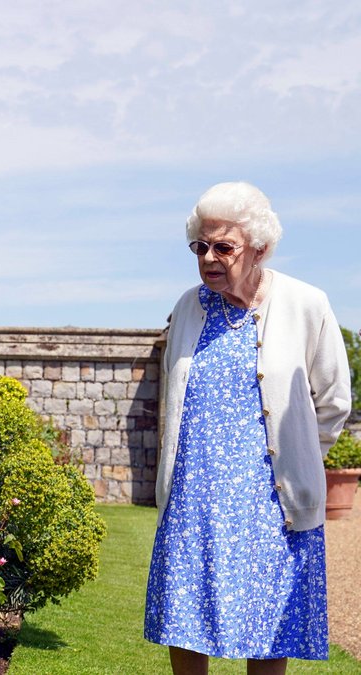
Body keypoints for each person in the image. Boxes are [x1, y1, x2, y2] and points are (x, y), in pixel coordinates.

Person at [144, 181, 352, 675]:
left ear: (258, 248)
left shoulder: (306, 304)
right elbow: (172, 400)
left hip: (270, 502)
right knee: (185, 620)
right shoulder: (189, 306)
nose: (209, 257)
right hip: (194, 498)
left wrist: (301, 454)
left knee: (269, 627)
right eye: (201, 246)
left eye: (223, 247)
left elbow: (334, 401)